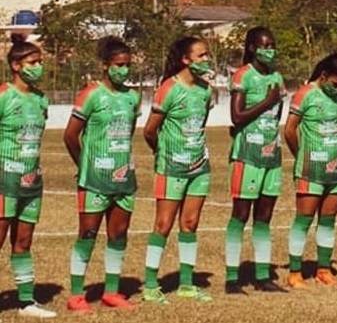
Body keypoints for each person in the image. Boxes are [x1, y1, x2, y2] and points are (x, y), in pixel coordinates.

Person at [63, 37, 140, 312]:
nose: (124, 70)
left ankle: (111, 291)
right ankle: (75, 295)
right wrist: (84, 164)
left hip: (124, 178)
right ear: (106, 66)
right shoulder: (91, 94)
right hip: (94, 179)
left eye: (128, 65)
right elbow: (71, 135)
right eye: (119, 65)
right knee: (88, 234)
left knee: (119, 234)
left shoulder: (133, 97)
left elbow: (128, 134)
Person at [142, 36, 215, 303]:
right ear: (186, 60)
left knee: (190, 224)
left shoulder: (206, 91)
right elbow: (150, 130)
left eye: (207, 55)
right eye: (202, 56)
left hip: (199, 168)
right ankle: (150, 285)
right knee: (163, 224)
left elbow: (201, 124)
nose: (207, 60)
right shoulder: (168, 88)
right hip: (171, 167)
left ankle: (186, 284)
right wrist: (162, 152)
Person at [224, 27, 286, 294]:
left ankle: (262, 276)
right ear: (252, 48)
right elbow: (236, 116)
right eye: (265, 45)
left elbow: (277, 114)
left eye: (273, 44)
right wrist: (267, 101)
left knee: (264, 217)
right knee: (240, 214)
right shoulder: (243, 75)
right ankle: (231, 278)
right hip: (247, 155)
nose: (270, 49)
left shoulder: (277, 77)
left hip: (271, 155)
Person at [0, 35, 55, 318]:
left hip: (32, 182)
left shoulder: (41, 99)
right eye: (33, 62)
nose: (39, 67)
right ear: (16, 65)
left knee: (23, 243)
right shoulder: (3, 96)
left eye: (40, 62)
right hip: (3, 181)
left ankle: (26, 302)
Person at [284, 53, 337, 288]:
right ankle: (294, 272)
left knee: (328, 220)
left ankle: (323, 269)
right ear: (323, 76)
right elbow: (290, 130)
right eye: (335, 83)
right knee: (304, 220)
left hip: (335, 169)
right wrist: (302, 155)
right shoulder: (305, 94)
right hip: (311, 168)